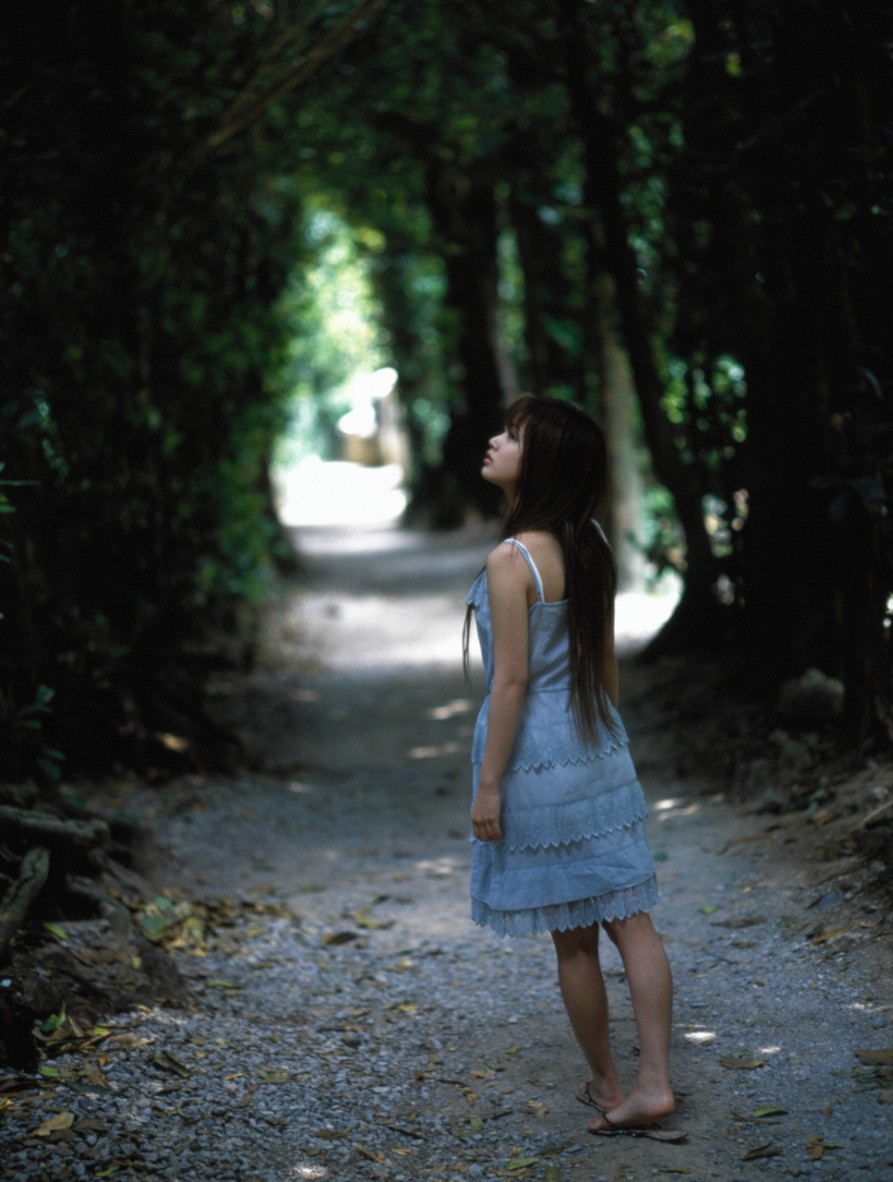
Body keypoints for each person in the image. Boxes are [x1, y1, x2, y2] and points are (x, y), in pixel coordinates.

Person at [463, 395, 676, 1138]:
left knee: (574, 939)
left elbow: (510, 683)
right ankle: (654, 1081)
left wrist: (489, 785)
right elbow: (601, 661)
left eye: (512, 437)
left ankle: (608, 1082)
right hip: (596, 739)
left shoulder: (510, 559)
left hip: (537, 757)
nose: (495, 441)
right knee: (632, 921)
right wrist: (610, 748)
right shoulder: (590, 546)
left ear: (544, 463)